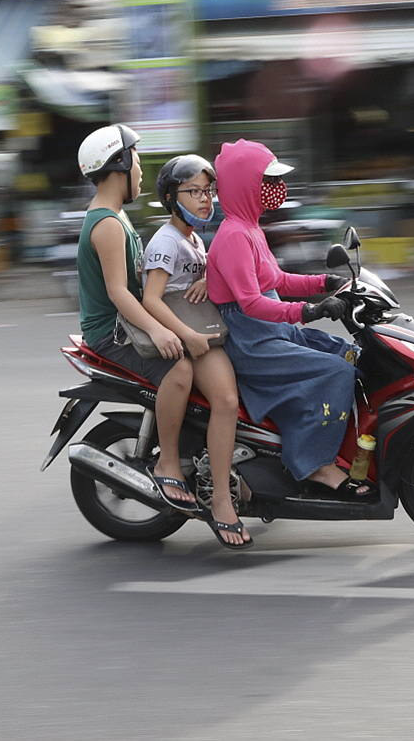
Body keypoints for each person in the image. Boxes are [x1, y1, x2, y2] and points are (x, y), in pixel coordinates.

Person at [206, 139, 373, 499]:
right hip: (253, 342)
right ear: (245, 184)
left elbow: (277, 281)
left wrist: (324, 282)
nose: (277, 187)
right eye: (268, 180)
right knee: (336, 371)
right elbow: (251, 303)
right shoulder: (234, 236)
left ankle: (337, 446)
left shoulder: (250, 227)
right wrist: (308, 311)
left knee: (352, 355)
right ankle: (316, 466)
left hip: (274, 331)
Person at [74, 124, 199, 515]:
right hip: (112, 333)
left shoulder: (116, 216)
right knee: (179, 369)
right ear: (120, 163)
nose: (142, 171)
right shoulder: (108, 225)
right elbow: (118, 292)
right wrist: (158, 330)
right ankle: (168, 464)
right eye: (138, 162)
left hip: (126, 323)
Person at [142, 155, 250, 547]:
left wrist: (207, 278)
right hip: (186, 337)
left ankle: (232, 476)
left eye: (209, 191)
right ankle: (216, 496)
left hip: (204, 333)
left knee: (236, 395)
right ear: (172, 198)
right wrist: (186, 335)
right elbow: (151, 299)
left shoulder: (193, 239)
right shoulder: (165, 241)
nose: (206, 200)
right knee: (224, 399)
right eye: (195, 192)